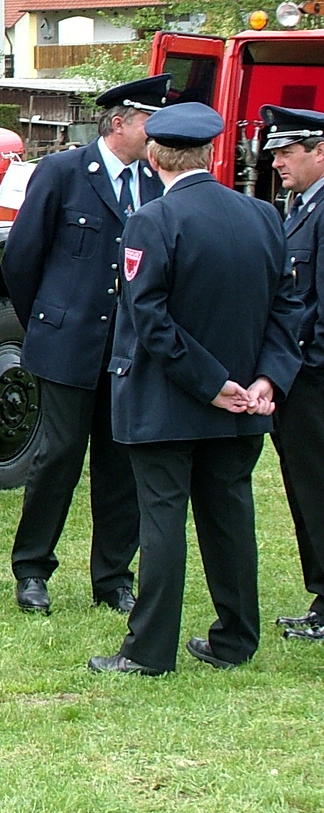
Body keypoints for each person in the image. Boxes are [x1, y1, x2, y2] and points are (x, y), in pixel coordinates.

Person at [89, 102, 302, 675]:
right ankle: (235, 639)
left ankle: (149, 651)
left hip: (170, 402)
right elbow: (289, 309)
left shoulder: (153, 221)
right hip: (240, 404)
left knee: (162, 521)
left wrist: (214, 385)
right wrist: (264, 380)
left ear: (154, 155)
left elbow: (150, 320)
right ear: (208, 154)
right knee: (229, 517)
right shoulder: (262, 215)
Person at [2, 74, 171, 615]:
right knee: (58, 458)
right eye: (150, 121)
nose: (157, 131)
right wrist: (48, 325)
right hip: (68, 344)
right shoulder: (63, 171)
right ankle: (32, 570)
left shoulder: (154, 181)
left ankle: (113, 578)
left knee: (121, 464)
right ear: (118, 123)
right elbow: (22, 259)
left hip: (129, 352)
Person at [261, 104, 324, 642]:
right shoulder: (300, 206)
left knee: (317, 486)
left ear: (320, 150)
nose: (278, 162)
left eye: (288, 152)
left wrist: (299, 368)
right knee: (305, 488)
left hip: (313, 379)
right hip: (298, 376)